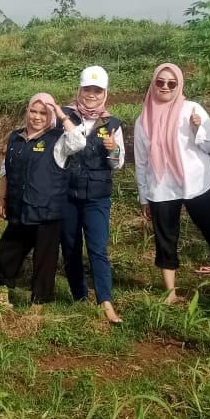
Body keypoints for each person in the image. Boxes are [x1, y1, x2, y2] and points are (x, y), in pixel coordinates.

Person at [133, 63, 210, 309]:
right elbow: (141, 161)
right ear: (153, 84)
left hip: (197, 184)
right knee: (165, 238)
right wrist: (144, 197)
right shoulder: (143, 120)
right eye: (160, 82)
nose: (165, 87)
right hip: (162, 187)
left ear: (179, 85)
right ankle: (170, 293)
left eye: (172, 83)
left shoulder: (192, 109)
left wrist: (198, 129)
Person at [0, 92, 84, 307]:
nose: (37, 117)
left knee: (44, 258)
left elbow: (79, 142)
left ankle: (39, 302)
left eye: (43, 113)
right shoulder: (16, 137)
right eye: (33, 111)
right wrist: (2, 197)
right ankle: (2, 292)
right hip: (19, 206)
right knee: (8, 250)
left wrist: (61, 115)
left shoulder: (59, 139)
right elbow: (6, 167)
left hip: (47, 210)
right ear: (27, 111)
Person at [59, 65, 125, 323]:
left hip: (98, 196)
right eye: (87, 89)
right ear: (80, 89)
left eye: (97, 91)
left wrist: (113, 149)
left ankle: (106, 302)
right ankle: (79, 296)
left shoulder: (112, 123)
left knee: (98, 248)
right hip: (67, 194)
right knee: (71, 247)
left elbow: (117, 164)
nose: (92, 95)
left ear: (105, 93)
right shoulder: (64, 116)